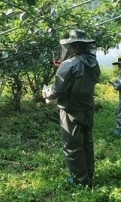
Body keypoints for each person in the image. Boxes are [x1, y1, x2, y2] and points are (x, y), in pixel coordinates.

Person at [43, 29, 101, 187]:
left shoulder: (69, 65)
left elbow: (57, 90)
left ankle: (80, 181)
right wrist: (63, 66)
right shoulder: (93, 62)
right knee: (87, 143)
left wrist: (47, 94)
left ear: (73, 46)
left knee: (73, 146)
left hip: (71, 111)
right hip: (87, 108)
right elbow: (81, 74)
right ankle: (88, 174)